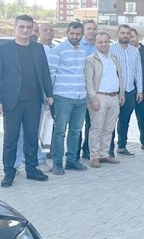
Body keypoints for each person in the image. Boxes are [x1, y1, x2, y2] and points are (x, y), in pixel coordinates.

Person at [0, 15, 53, 188]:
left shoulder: (38, 48)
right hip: (12, 102)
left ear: (32, 30)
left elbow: (45, 72)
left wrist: (49, 93)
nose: (25, 30)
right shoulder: (4, 49)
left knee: (31, 137)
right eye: (21, 27)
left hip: (34, 101)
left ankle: (31, 169)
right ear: (15, 28)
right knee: (11, 139)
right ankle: (9, 172)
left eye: (28, 27)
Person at [48, 22, 88, 175]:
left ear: (82, 35)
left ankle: (71, 160)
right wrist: (49, 96)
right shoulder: (58, 50)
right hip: (63, 97)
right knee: (60, 131)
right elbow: (51, 73)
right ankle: (57, 163)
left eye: (78, 34)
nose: (74, 36)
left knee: (75, 130)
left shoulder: (83, 50)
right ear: (67, 33)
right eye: (72, 33)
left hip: (80, 97)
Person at [84, 32, 124, 168]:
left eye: (106, 41)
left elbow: (119, 76)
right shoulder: (90, 60)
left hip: (114, 97)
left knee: (109, 128)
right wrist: (93, 97)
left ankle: (104, 154)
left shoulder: (114, 58)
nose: (103, 44)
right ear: (95, 43)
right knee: (96, 128)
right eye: (100, 42)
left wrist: (121, 93)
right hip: (99, 96)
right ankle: (94, 156)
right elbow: (88, 81)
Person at [109, 25, 143, 157]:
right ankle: (109, 149)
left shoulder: (135, 51)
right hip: (115, 91)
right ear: (117, 34)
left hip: (130, 91)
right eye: (122, 33)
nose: (125, 35)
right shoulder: (111, 49)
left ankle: (122, 146)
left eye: (128, 33)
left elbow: (138, 71)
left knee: (125, 120)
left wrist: (139, 90)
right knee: (111, 121)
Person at [129, 28, 144, 152]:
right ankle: (121, 144)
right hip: (127, 90)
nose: (130, 39)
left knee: (143, 117)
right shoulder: (124, 52)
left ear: (137, 37)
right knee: (123, 118)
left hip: (143, 90)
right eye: (128, 36)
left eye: (132, 36)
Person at [78, 19, 97, 159]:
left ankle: (87, 150)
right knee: (77, 124)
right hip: (79, 90)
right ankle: (74, 152)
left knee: (92, 123)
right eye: (88, 28)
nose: (91, 31)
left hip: (94, 91)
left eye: (94, 29)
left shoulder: (99, 46)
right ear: (84, 30)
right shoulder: (77, 46)